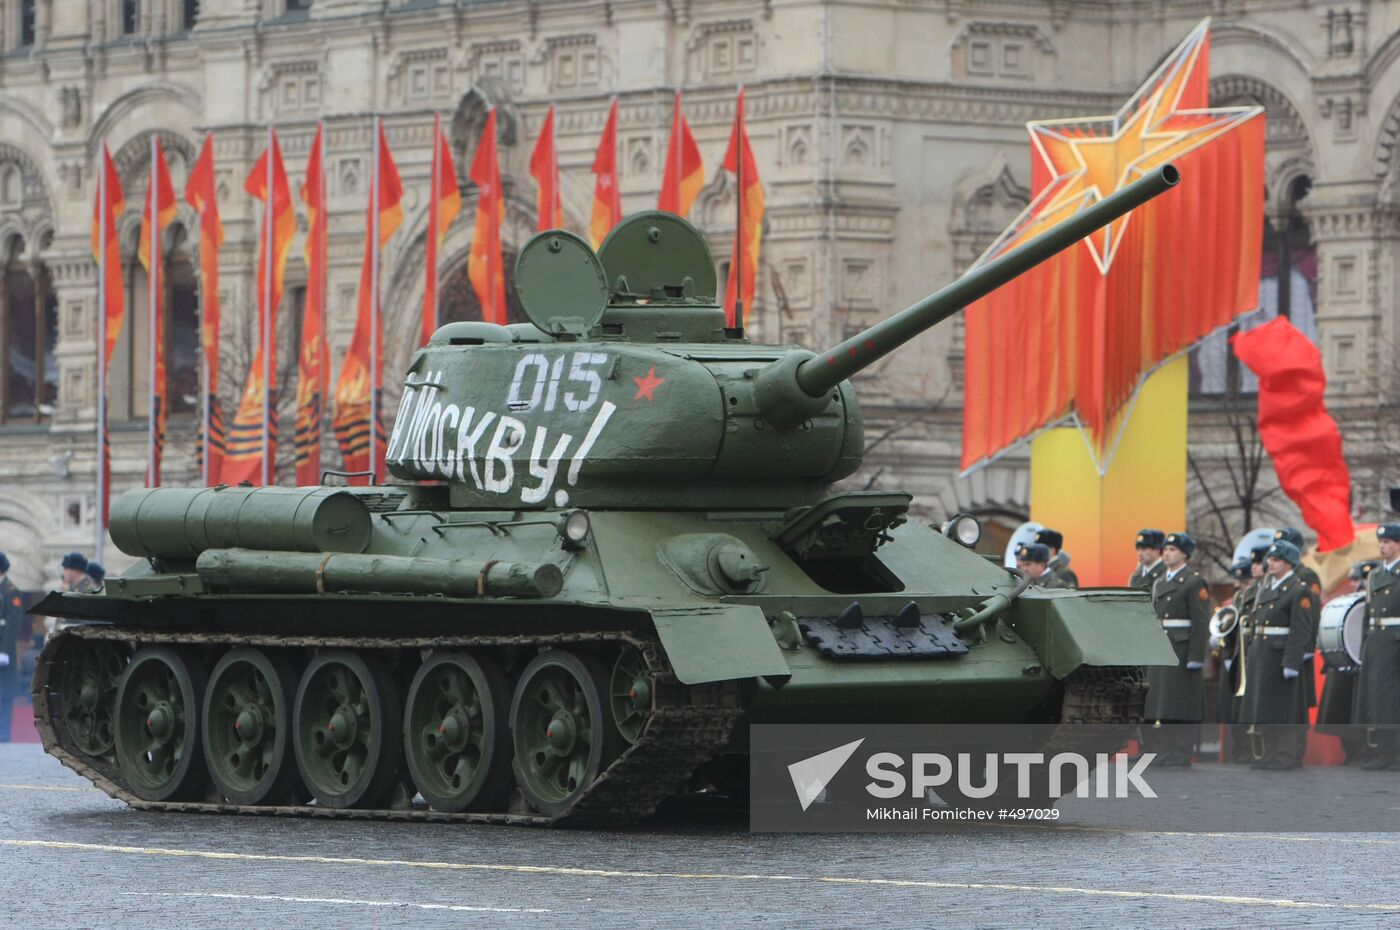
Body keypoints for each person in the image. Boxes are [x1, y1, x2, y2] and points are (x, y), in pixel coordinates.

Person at [1237, 540, 1316, 770]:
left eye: (1276, 559)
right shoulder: (1266, 588)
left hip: (1281, 655)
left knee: (1284, 708)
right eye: (1270, 559)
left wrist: (1292, 661)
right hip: (1262, 653)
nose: (1271, 563)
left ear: (1289, 563)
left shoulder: (1298, 590)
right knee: (1265, 707)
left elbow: (1301, 629)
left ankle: (1285, 755)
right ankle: (1268, 753)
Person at [1142, 532, 1211, 766]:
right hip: (1162, 645)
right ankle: (1164, 749)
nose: (1167, 553)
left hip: (1181, 648)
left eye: (1172, 550)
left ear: (1184, 554)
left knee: (1180, 702)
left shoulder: (1193, 582)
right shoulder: (1160, 581)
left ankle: (1181, 751)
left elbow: (1201, 622)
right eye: (1166, 549)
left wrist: (1196, 656)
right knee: (1161, 702)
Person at [1315, 560, 1377, 763]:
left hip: (1368, 665)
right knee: (1341, 709)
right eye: (1354, 580)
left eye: (1359, 580)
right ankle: (1351, 752)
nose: (1355, 584)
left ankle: (1367, 751)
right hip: (1343, 665)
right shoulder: (1349, 601)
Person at [1353, 524, 1400, 770]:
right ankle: (1382, 752)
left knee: (1394, 701)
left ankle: (1395, 754)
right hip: (1377, 641)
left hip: (1395, 641)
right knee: (1378, 701)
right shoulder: (1374, 575)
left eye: (1389, 542)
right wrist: (1365, 643)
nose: (1383, 546)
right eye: (1381, 542)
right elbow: (1368, 614)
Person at [0, 552, 21, 742]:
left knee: (4, 694)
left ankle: (4, 735)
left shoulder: (11, 590)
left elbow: (13, 624)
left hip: (3, 652)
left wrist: (4, 652)